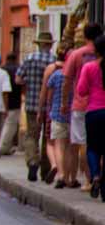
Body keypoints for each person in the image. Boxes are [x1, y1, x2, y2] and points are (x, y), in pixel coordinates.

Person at [61, 22, 103, 191]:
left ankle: (88, 179)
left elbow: (68, 80)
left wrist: (64, 103)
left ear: (85, 36)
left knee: (83, 143)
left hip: (83, 106)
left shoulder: (77, 55)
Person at [16, 32, 56, 182]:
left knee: (32, 135)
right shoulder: (54, 61)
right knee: (48, 138)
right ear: (50, 45)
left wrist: (29, 81)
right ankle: (46, 170)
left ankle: (33, 162)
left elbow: (18, 79)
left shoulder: (29, 59)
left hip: (32, 104)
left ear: (39, 44)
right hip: (50, 106)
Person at [75, 35, 105, 201]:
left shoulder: (89, 67)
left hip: (93, 112)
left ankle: (94, 175)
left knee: (93, 147)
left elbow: (81, 90)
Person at [43, 47, 75, 188]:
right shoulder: (75, 76)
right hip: (72, 114)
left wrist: (47, 109)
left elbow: (49, 97)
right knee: (68, 147)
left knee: (58, 144)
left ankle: (60, 174)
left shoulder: (56, 75)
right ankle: (68, 177)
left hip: (57, 113)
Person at [38, 45, 68, 185]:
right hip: (70, 112)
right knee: (66, 145)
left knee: (51, 143)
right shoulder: (71, 71)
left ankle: (55, 166)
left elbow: (46, 93)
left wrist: (41, 110)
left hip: (54, 112)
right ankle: (67, 175)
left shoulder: (52, 70)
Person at [0, 52, 23, 156]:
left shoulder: (1, 69)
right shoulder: (18, 69)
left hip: (1, 100)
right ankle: (3, 147)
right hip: (15, 100)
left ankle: (1, 145)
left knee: (2, 124)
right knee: (10, 125)